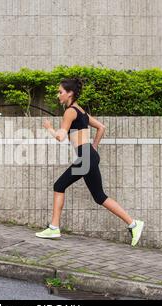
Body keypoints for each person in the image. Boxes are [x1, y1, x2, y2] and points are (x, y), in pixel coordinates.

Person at [36, 78, 144, 246]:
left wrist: (49, 127)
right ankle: (134, 224)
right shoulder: (81, 111)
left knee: (59, 186)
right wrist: (94, 147)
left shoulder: (70, 111)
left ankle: (54, 227)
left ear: (69, 93)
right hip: (89, 156)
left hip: (86, 157)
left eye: (60, 92)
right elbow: (102, 127)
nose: (58, 95)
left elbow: (60, 137)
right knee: (99, 196)